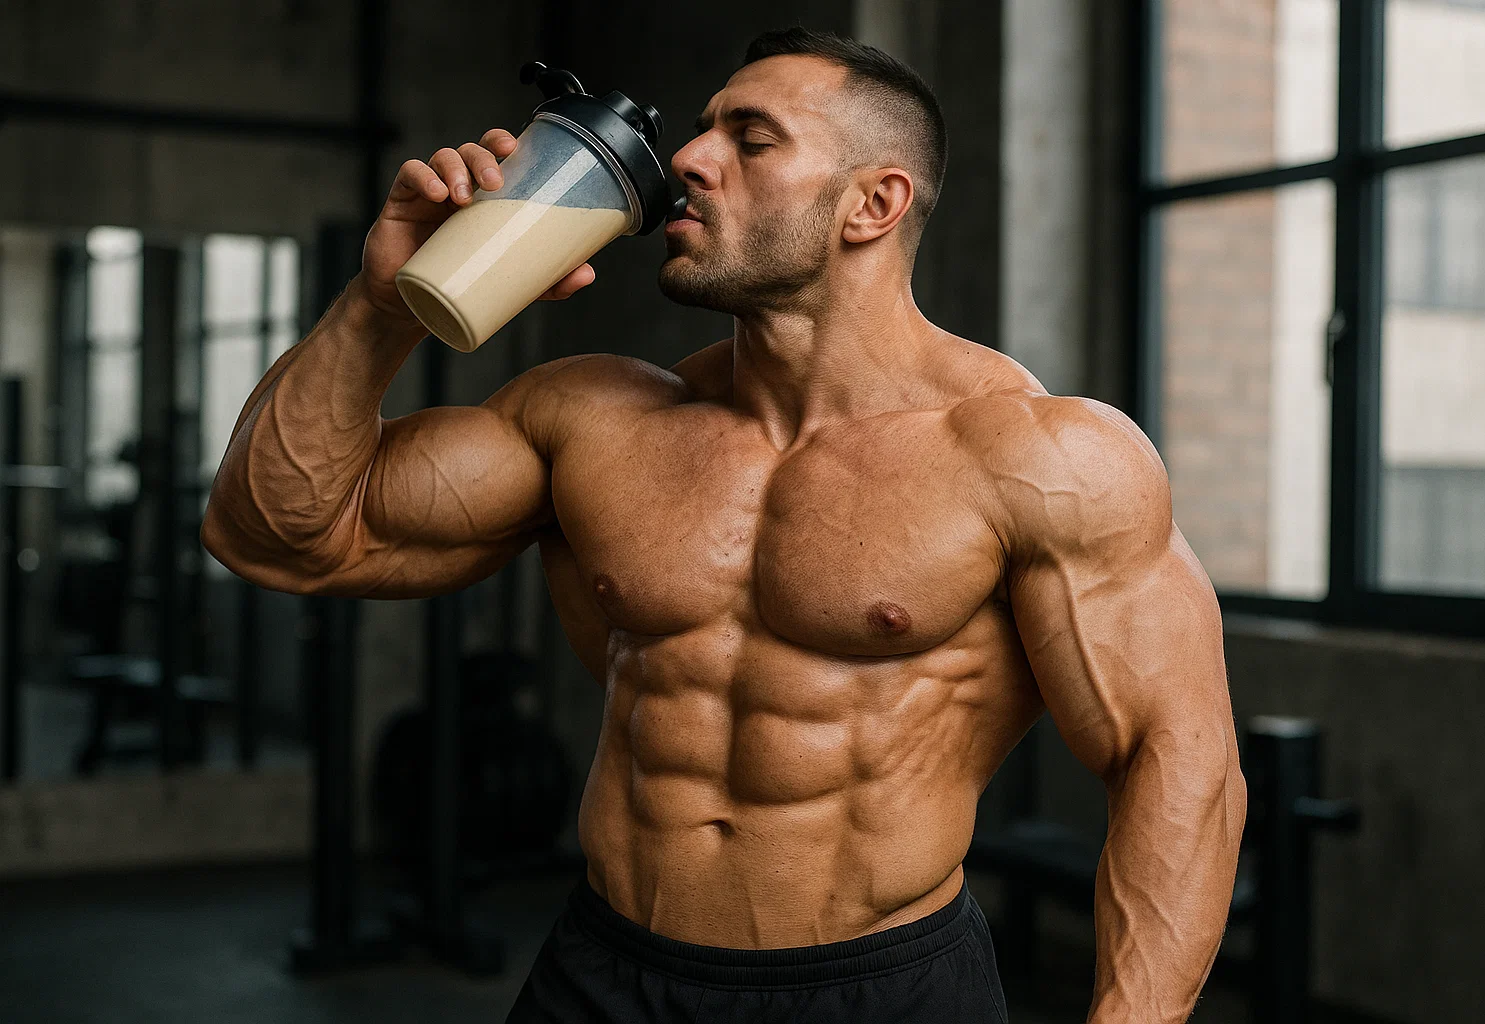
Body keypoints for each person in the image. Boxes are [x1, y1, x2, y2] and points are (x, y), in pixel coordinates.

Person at [202, 26, 1245, 1024]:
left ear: (872, 204)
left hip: (882, 990)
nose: (689, 159)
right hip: (609, 972)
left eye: (751, 140)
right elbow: (273, 531)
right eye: (702, 129)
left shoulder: (1037, 455)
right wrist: (380, 306)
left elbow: (1178, 757)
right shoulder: (594, 417)